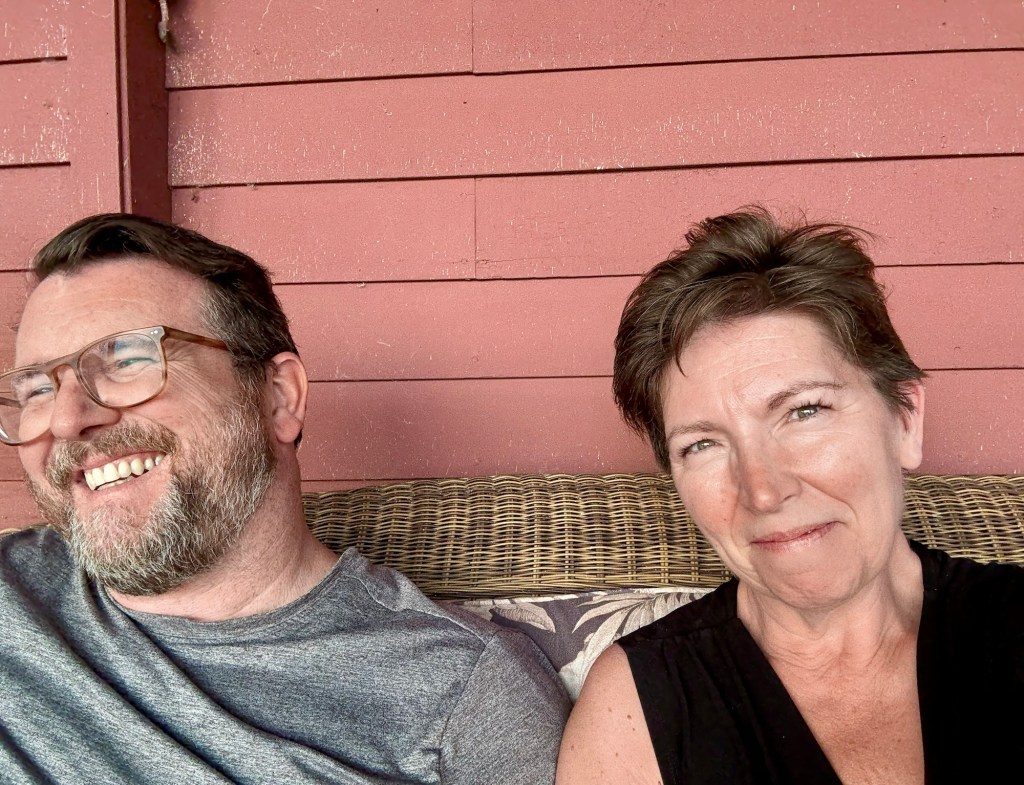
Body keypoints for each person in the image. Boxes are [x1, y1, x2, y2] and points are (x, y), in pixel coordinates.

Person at [0, 214, 569, 784]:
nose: (66, 421)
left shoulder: (461, 693)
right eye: (37, 390)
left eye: (126, 360)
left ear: (278, 397)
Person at [556, 208, 1023, 785]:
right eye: (702, 445)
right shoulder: (636, 711)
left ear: (905, 420)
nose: (763, 491)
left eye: (804, 411)